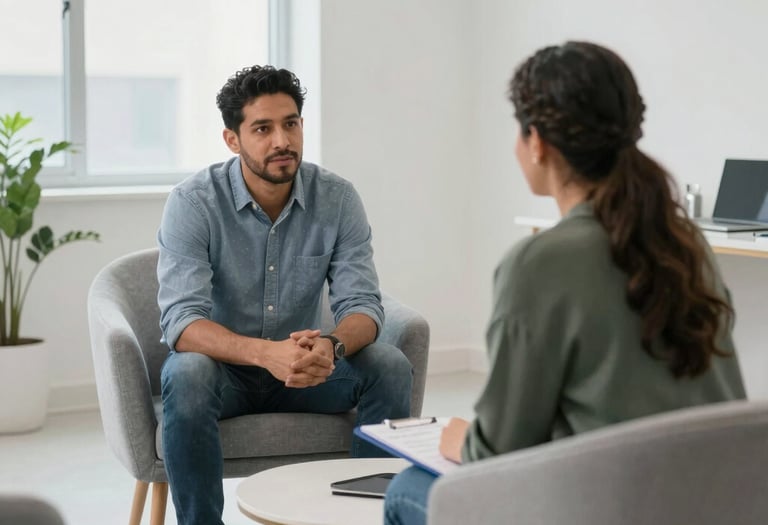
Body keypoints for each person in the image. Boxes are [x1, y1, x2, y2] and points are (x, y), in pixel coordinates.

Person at [383, 41, 746, 525]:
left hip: (604, 505)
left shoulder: (539, 263)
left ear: (537, 142)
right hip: (711, 501)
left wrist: (459, 438)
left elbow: (499, 455)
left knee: (407, 488)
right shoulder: (684, 243)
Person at [156, 65, 413, 525]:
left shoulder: (337, 198)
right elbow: (181, 322)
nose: (282, 141)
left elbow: (363, 306)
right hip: (226, 377)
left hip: (308, 375)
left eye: (291, 123)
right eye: (263, 128)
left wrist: (330, 348)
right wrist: (266, 354)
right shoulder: (193, 202)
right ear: (232, 140)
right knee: (187, 372)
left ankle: (358, 517)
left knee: (389, 365)